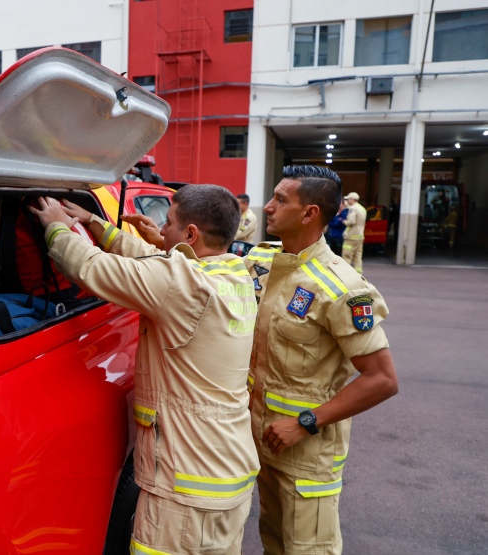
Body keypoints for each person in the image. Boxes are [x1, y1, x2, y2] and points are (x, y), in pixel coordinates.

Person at [29, 185, 259, 555]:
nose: (159, 229)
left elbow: (89, 267)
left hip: (184, 489)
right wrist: (98, 226)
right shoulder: (234, 275)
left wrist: (57, 226)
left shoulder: (181, 285)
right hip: (230, 475)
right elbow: (156, 261)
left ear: (191, 235)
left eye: (168, 222)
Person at [244, 165, 399, 555]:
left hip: (306, 454)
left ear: (310, 213)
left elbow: (382, 379)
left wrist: (304, 423)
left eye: (280, 199)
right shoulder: (265, 263)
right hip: (264, 441)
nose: (267, 207)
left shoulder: (341, 286)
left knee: (309, 550)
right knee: (274, 542)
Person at [341, 192, 366, 272]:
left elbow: (351, 221)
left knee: (347, 256)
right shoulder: (362, 208)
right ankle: (359, 274)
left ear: (353, 199)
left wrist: (345, 221)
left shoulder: (353, 209)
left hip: (351, 237)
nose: (347, 201)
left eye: (348, 199)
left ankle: (346, 275)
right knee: (358, 257)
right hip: (360, 237)